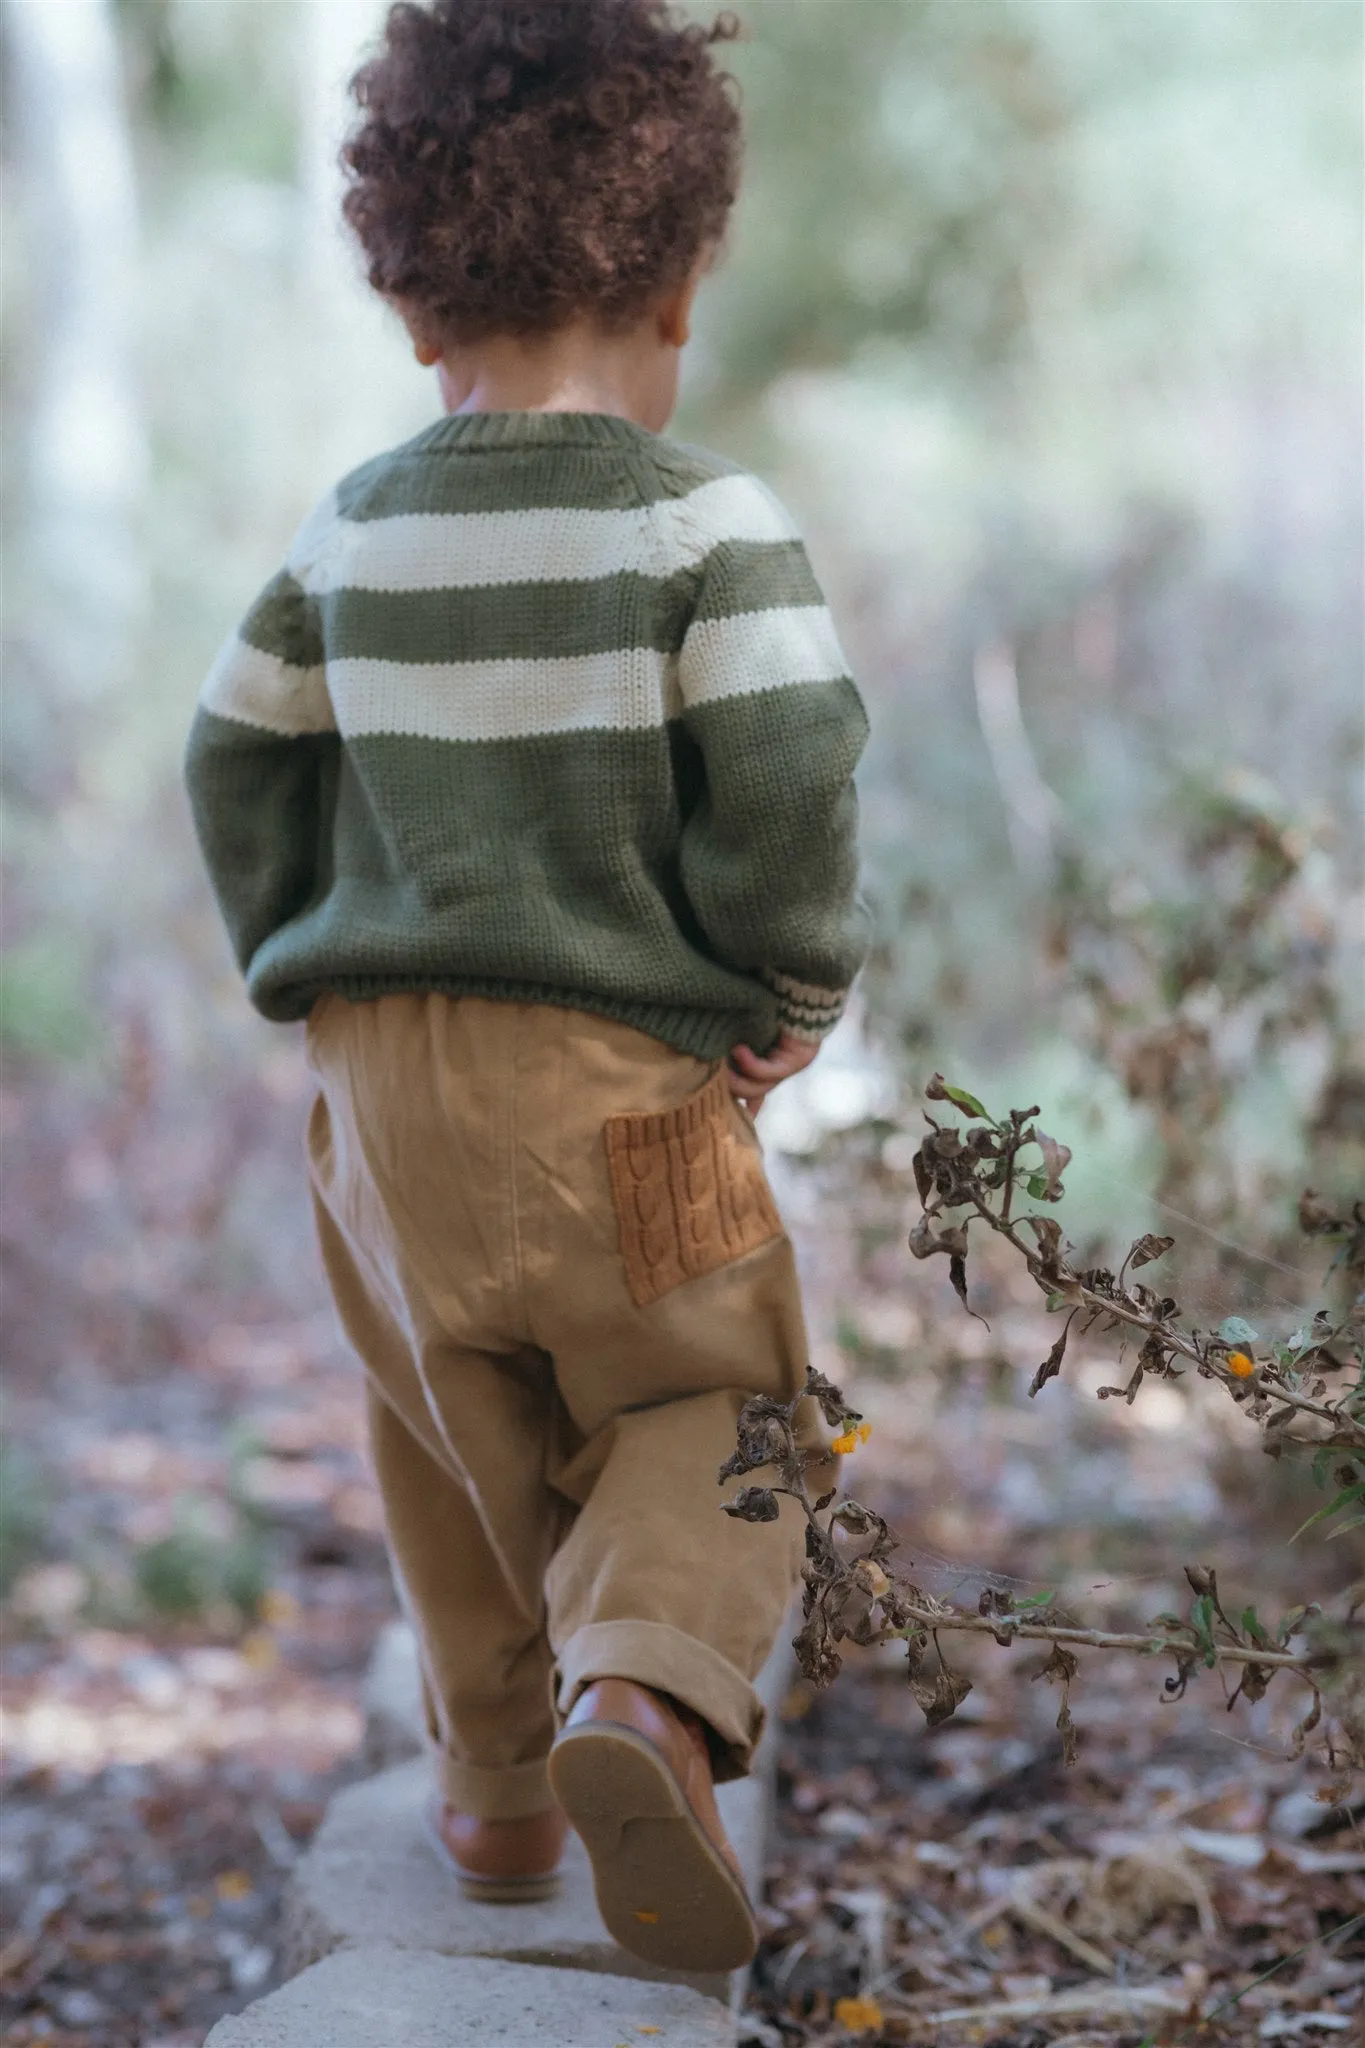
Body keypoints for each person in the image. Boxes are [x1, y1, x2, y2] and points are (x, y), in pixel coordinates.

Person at [184, 0, 868, 1976]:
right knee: (712, 1404)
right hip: (633, 1088)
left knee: (446, 1432)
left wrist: (297, 958)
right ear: (673, 281)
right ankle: (638, 1698)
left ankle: (490, 1801)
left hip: (382, 1107)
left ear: (413, 311)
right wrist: (788, 978)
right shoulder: (700, 524)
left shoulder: (345, 531)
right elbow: (796, 767)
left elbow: (236, 760)